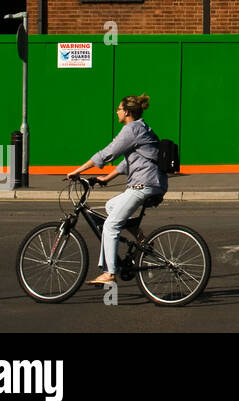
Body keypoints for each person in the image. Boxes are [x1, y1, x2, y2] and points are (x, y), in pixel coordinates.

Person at [66, 94, 167, 284]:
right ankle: (143, 241)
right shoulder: (142, 128)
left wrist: (77, 171)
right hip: (153, 182)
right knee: (112, 205)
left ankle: (109, 273)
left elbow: (107, 153)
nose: (117, 112)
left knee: (111, 225)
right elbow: (130, 162)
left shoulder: (131, 130)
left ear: (127, 112)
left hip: (143, 184)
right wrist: (106, 178)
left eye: (119, 109)